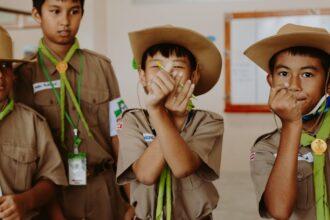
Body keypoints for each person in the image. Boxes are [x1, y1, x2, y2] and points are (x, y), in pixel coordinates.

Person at [14, 0, 130, 218]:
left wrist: (133, 200)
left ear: (82, 13)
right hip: (53, 197)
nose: (65, 21)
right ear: (37, 14)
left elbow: (119, 135)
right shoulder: (24, 75)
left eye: (74, 12)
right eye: (55, 11)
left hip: (103, 189)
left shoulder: (101, 67)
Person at [116, 25, 223, 220]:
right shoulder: (131, 120)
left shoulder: (208, 122)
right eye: (156, 67)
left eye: (178, 67)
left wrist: (166, 117)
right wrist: (160, 113)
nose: (166, 75)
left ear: (194, 76)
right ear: (142, 76)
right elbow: (146, 175)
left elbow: (182, 167)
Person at [245, 23, 330, 220]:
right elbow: (279, 211)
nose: (293, 85)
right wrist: (292, 125)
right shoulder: (266, 147)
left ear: (328, 84)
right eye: (283, 74)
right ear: (271, 82)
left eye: (307, 74)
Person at [0, 25, 67, 220]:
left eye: (5, 67)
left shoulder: (32, 122)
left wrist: (24, 201)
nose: (0, 76)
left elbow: (52, 180)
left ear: (13, 74)